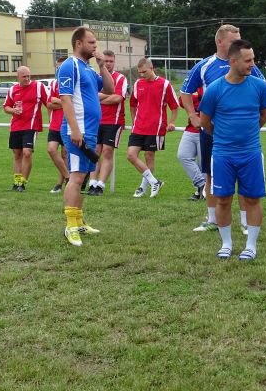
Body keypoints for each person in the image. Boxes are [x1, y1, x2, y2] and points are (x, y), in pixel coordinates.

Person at [180, 24, 266, 234]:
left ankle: (245, 222)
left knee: (244, 178)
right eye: (233, 40)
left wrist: (251, 125)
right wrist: (192, 115)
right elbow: (185, 91)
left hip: (243, 137)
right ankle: (212, 219)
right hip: (212, 133)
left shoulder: (249, 66)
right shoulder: (204, 66)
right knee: (210, 175)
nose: (238, 43)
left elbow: (262, 96)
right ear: (220, 42)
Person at [198, 39, 266, 260]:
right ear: (233, 61)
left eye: (253, 59)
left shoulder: (259, 86)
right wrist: (224, 137)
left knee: (252, 199)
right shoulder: (214, 89)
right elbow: (205, 122)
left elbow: (264, 115)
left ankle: (251, 246)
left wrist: (247, 133)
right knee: (223, 199)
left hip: (251, 153)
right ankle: (226, 243)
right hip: (222, 155)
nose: (253, 64)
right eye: (248, 60)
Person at [58, 26, 114, 246]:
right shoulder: (69, 66)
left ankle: (79, 221)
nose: (95, 46)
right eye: (91, 42)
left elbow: (109, 89)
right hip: (78, 131)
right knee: (76, 178)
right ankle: (70, 226)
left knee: (82, 178)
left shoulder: (88, 69)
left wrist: (102, 66)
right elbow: (65, 99)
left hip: (89, 131)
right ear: (78, 43)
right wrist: (74, 129)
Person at [127, 58, 178, 198]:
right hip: (138, 127)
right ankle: (155, 182)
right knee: (131, 155)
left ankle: (143, 188)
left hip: (156, 127)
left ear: (152, 68)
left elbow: (174, 106)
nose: (141, 75)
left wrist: (172, 122)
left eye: (144, 72)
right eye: (140, 72)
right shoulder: (138, 84)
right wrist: (134, 121)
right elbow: (132, 105)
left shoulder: (165, 84)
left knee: (149, 156)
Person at [86, 50, 128, 196]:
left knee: (107, 152)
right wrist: (106, 96)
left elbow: (117, 98)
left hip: (113, 121)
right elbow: (90, 97)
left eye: (111, 61)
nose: (108, 64)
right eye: (106, 61)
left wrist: (98, 97)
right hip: (96, 121)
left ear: (114, 62)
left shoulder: (120, 78)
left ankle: (101, 185)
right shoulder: (95, 77)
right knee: (95, 152)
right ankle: (92, 183)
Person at [3, 65, 49, 191]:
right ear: (18, 77)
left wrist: (53, 118)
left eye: (29, 76)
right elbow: (6, 107)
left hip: (31, 125)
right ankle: (17, 183)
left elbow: (49, 103)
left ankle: (22, 184)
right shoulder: (12, 90)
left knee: (27, 153)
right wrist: (13, 110)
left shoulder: (38, 87)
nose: (27, 79)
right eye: (24, 76)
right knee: (17, 154)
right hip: (16, 126)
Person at [176, 86, 206, 200]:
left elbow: (205, 104)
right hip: (191, 128)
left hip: (207, 130)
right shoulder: (191, 86)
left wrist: (192, 100)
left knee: (203, 163)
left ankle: (201, 193)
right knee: (183, 156)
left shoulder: (210, 83)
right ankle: (202, 185)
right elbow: (182, 102)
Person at [46, 57, 70, 193]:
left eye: (62, 67)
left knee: (65, 154)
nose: (59, 70)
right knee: (51, 150)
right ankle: (68, 177)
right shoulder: (54, 83)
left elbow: (73, 103)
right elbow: (49, 104)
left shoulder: (72, 82)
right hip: (55, 124)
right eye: (58, 68)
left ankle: (59, 184)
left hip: (68, 124)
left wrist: (58, 101)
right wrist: (64, 103)